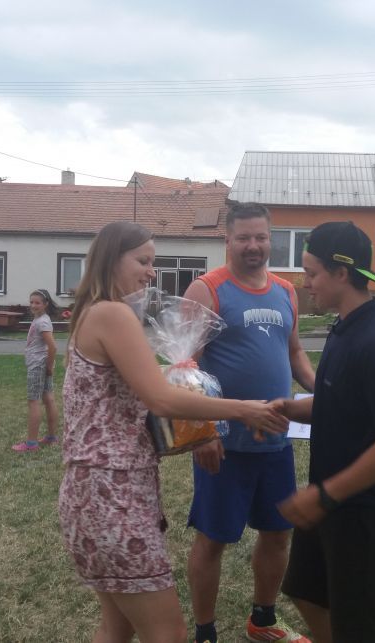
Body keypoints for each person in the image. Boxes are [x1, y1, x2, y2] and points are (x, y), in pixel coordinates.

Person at [57, 220, 288, 643]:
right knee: (169, 634)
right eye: (143, 261)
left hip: (91, 489)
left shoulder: (92, 313)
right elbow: (161, 399)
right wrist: (243, 410)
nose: (151, 272)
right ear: (112, 259)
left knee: (116, 628)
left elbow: (136, 391)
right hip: (114, 492)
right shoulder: (113, 314)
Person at [276, 221, 375, 643]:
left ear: (341, 273)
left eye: (311, 273)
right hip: (330, 502)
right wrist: (286, 409)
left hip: (365, 512)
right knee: (305, 591)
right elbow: (337, 400)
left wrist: (325, 494)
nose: (304, 283)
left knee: (360, 628)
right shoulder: (344, 328)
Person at [184, 202, 315, 643]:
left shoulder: (286, 291)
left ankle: (263, 619)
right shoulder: (207, 289)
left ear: (270, 239)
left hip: (275, 440)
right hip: (225, 445)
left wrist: (326, 392)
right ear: (228, 240)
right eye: (244, 238)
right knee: (214, 539)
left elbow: (294, 352)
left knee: (278, 533)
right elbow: (186, 364)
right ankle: (205, 632)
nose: (253, 246)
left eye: (261, 237)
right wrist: (202, 432)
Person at [12, 288, 60, 452]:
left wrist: (49, 367)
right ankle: (51, 437)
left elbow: (53, 347)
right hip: (41, 364)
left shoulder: (42, 322)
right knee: (48, 399)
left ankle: (31, 443)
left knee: (34, 401)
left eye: (37, 303)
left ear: (45, 304)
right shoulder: (41, 319)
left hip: (38, 365)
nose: (33, 305)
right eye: (31, 302)